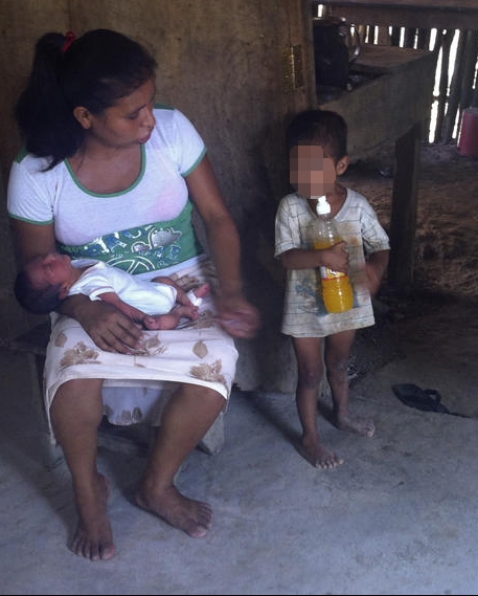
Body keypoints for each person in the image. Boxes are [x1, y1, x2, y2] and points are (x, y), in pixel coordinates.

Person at [7, 28, 260, 561]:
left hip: (182, 281)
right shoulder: (37, 169)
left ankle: (157, 485)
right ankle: (87, 491)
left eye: (149, 103)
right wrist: (83, 308)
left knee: (216, 363)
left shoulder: (172, 131)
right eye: (132, 113)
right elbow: (38, 270)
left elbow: (217, 218)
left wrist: (233, 292)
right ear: (85, 116)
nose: (150, 121)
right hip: (90, 291)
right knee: (73, 372)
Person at [274, 109, 390, 470]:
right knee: (310, 373)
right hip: (304, 306)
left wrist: (375, 270)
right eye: (297, 168)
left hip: (346, 303)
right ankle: (310, 439)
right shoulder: (290, 208)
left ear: (340, 166)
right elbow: (287, 258)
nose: (305, 178)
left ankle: (342, 413)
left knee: (339, 363)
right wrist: (321, 256)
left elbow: (381, 245)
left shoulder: (357, 207)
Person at [14, 251, 211, 331]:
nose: (49, 256)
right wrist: (143, 317)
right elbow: (118, 304)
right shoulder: (91, 284)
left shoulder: (77, 266)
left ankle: (188, 300)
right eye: (49, 267)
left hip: (152, 288)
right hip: (153, 308)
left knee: (163, 281)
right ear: (64, 290)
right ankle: (181, 310)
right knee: (163, 323)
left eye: (42, 258)